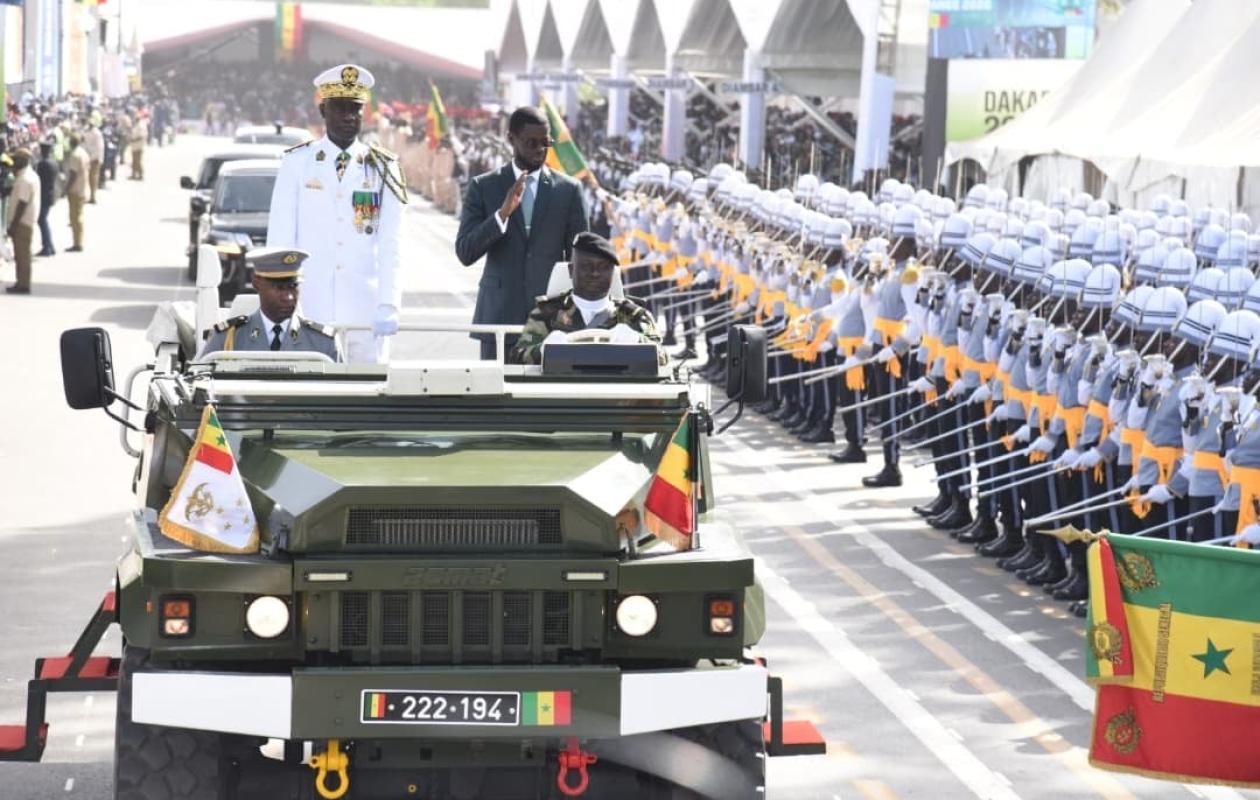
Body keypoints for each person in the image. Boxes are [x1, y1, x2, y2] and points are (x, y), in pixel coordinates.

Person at [266, 63, 406, 364]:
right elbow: (280, 241)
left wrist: (388, 303)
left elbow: (391, 243)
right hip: (310, 307)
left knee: (367, 401)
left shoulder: (383, 167)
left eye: (355, 109)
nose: (348, 116)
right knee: (310, 400)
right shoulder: (298, 163)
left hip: (364, 311)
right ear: (322, 110)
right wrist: (281, 303)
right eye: (340, 107)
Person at [455, 106, 589, 360]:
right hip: (499, 318)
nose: (539, 150)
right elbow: (465, 251)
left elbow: (580, 257)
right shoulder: (484, 186)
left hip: (552, 323)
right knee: (496, 396)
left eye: (545, 143)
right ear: (511, 139)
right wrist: (501, 215)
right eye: (531, 143)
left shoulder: (569, 190)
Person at [509, 232, 659, 365]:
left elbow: (662, 356)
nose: (595, 273)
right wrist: (542, 350)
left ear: (613, 273)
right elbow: (517, 358)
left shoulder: (635, 316)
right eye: (586, 266)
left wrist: (639, 342)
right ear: (571, 270)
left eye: (603, 267)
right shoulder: (547, 313)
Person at [198, 248, 341, 361]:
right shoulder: (228, 339)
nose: (289, 297)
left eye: (293, 286)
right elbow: (198, 385)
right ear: (256, 282)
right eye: (279, 288)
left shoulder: (323, 343)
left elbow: (341, 393)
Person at [5, 149, 40, 295]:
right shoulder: (26, 175)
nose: (14, 162)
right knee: (21, 254)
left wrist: (13, 225)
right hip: (25, 222)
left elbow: (22, 203)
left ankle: (23, 284)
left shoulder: (26, 179)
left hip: (22, 223)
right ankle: (21, 282)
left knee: (22, 255)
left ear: (24, 160)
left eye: (17, 159)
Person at [63, 135, 89, 252]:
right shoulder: (83, 152)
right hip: (82, 186)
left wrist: (66, 188)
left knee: (75, 217)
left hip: (75, 189)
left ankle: (77, 243)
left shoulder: (75, 155)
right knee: (78, 215)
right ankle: (78, 241)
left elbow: (73, 174)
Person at [34, 141, 57, 257]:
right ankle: (49, 246)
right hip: (50, 194)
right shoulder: (53, 162)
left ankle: (47, 246)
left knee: (42, 220)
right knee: (43, 220)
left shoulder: (43, 164)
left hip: (43, 195)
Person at [83, 121, 104, 203]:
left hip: (94, 160)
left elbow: (98, 148)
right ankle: (89, 196)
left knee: (93, 179)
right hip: (88, 158)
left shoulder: (97, 134)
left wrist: (93, 159)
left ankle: (93, 197)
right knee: (88, 179)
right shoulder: (88, 131)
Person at [129, 113, 147, 180]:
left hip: (138, 146)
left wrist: (133, 140)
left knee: (138, 161)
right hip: (134, 146)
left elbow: (141, 136)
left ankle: (140, 175)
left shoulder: (141, 125)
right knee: (134, 161)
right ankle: (134, 174)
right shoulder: (136, 125)